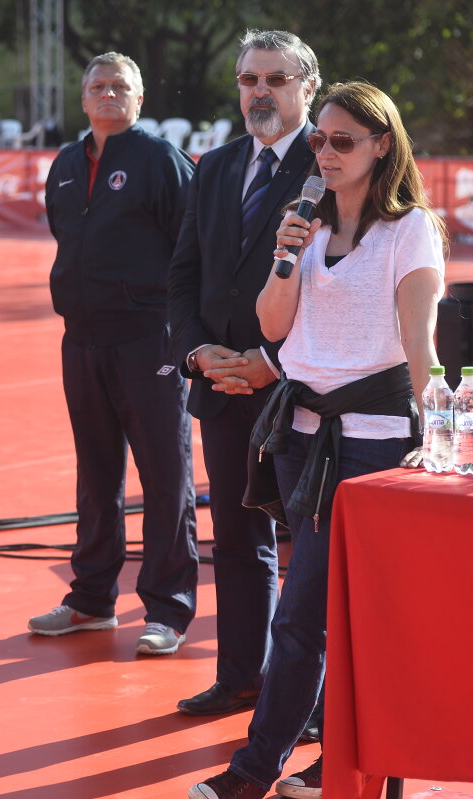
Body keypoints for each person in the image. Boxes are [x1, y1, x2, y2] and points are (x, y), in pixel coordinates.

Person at [190, 80, 447, 799]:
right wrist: (284, 253)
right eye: (318, 140)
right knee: (331, 613)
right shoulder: (303, 221)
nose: (325, 154)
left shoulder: (410, 229)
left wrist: (435, 435)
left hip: (372, 444)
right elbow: (273, 326)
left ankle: (252, 771)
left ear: (381, 146)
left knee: (301, 615)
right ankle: (336, 760)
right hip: (301, 437)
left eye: (342, 141)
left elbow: (419, 343)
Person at [167, 29, 318, 716]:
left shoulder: (331, 165)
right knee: (235, 540)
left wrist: (270, 362)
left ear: (306, 87)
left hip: (304, 391)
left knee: (314, 552)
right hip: (223, 388)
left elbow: (341, 287)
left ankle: (315, 701)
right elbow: (185, 275)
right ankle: (242, 677)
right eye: (249, 79)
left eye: (275, 79)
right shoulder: (217, 165)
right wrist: (199, 352)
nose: (260, 91)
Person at [28, 52, 199, 655]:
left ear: (139, 98)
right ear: (82, 100)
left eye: (119, 86)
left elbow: (193, 245)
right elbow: (63, 234)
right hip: (82, 337)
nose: (107, 94)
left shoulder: (159, 161)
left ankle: (169, 610)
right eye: (97, 86)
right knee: (96, 472)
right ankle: (92, 600)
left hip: (148, 338)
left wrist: (183, 332)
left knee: (164, 473)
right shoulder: (68, 164)